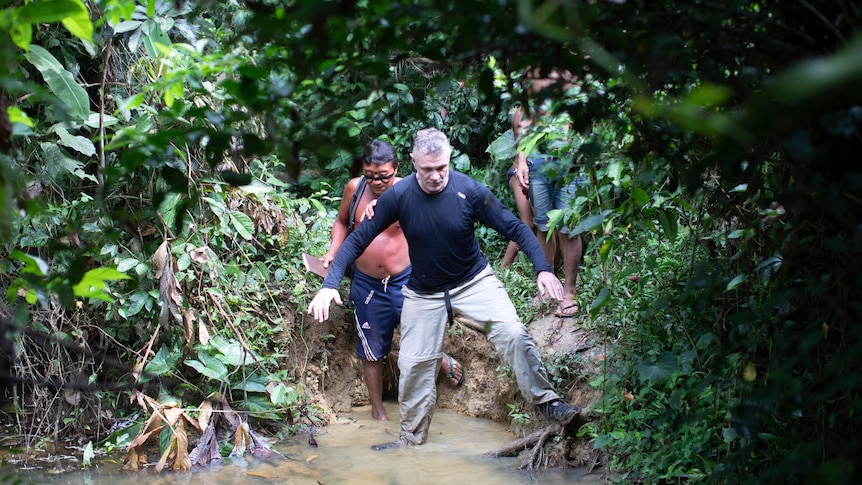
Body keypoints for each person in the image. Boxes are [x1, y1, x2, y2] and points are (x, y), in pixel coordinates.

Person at [308, 128, 579, 451]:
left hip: (474, 284)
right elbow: (356, 239)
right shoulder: (398, 196)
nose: (436, 176)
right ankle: (409, 440)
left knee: (512, 333)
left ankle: (548, 403)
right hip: (424, 294)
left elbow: (515, 227)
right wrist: (329, 285)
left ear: (448, 161)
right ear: (413, 163)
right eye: (427, 170)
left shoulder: (469, 190)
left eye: (442, 168)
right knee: (413, 366)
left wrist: (544, 269)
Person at [319, 139, 463, 422]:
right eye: (370, 175)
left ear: (397, 169)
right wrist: (333, 250)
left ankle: (440, 358)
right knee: (371, 351)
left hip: (406, 278)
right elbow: (340, 221)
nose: (376, 182)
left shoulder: (411, 190)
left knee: (420, 336)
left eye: (383, 176)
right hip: (367, 283)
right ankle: (378, 413)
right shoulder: (355, 188)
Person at [513, 68, 584, 317]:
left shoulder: (567, 68)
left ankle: (569, 291)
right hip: (538, 163)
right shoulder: (532, 68)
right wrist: (521, 161)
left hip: (569, 164)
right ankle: (547, 284)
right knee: (544, 227)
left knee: (568, 230)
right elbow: (524, 115)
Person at [500, 162, 535, 269]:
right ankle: (504, 266)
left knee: (548, 225)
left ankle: (517, 261)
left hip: (540, 176)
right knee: (527, 222)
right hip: (520, 173)